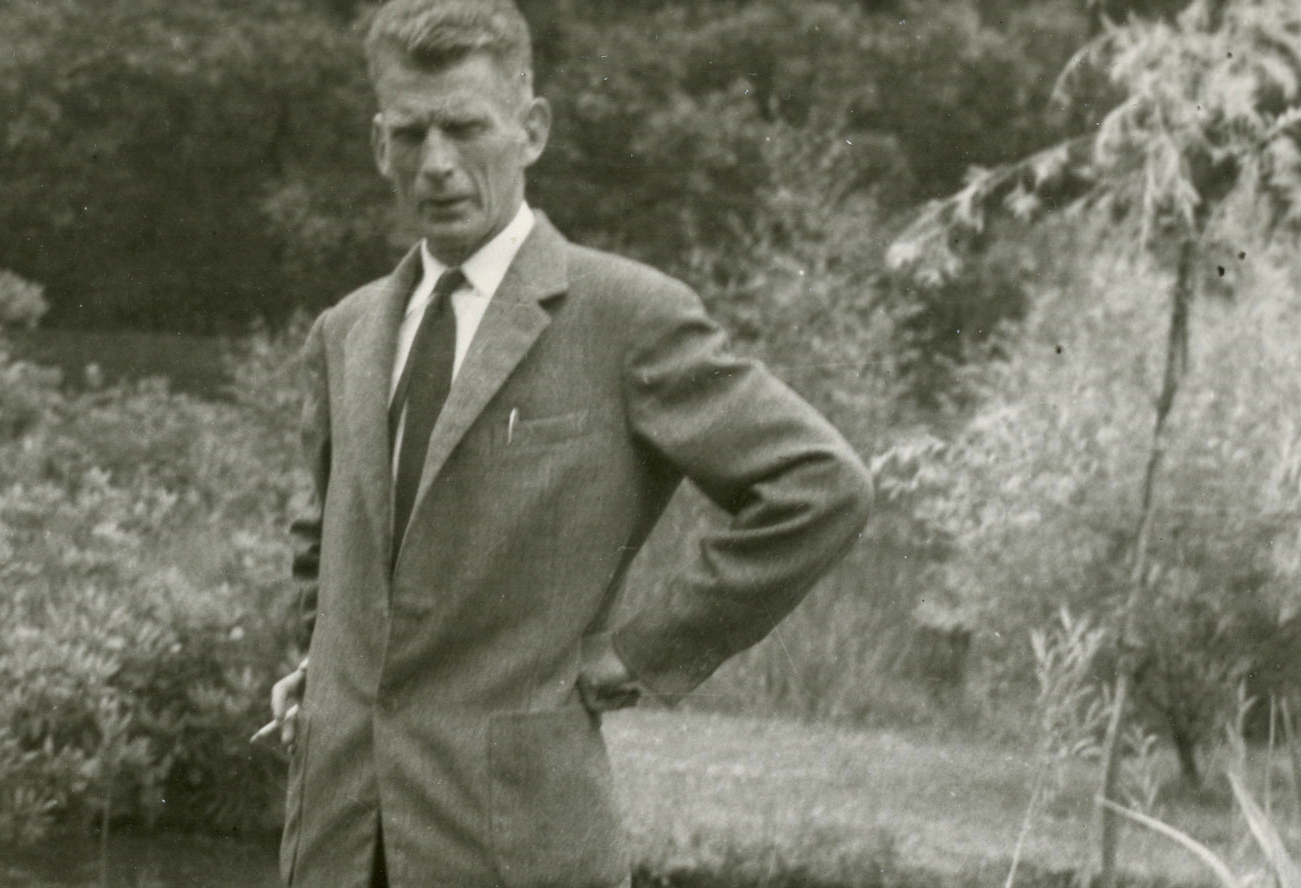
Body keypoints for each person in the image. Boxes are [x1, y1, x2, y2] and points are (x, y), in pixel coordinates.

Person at [257, 1, 875, 885]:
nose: (436, 163)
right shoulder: (347, 331)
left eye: (466, 127)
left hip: (516, 848)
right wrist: (320, 665)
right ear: (377, 142)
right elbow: (323, 536)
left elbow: (821, 487)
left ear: (531, 130)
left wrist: (642, 652)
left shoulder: (626, 316)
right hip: (336, 842)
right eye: (409, 133)